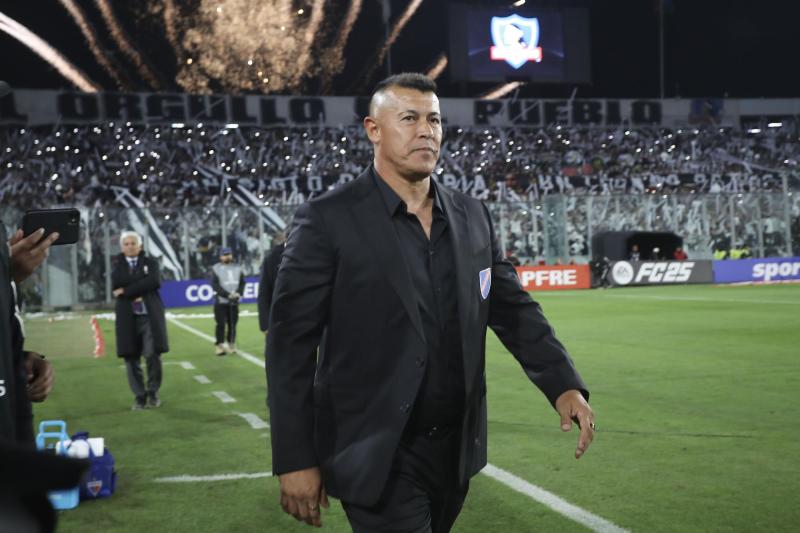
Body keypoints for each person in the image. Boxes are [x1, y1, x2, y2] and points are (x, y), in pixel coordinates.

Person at [266, 73, 594, 531]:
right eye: (410, 118)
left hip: (454, 450)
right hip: (376, 448)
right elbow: (290, 348)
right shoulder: (327, 220)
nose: (426, 130)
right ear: (373, 129)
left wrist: (563, 384)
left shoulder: (471, 215)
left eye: (434, 120)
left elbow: (513, 309)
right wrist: (295, 458)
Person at [112, 231, 168, 410]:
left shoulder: (151, 263)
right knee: (130, 358)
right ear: (122, 247)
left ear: (140, 246)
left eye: (133, 243)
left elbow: (154, 281)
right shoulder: (116, 266)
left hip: (149, 316)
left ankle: (153, 391)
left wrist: (127, 290)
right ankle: (139, 395)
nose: (130, 246)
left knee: (152, 354)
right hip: (127, 318)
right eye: (126, 244)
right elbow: (116, 283)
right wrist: (141, 283)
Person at [211, 247, 245, 355]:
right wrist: (227, 295)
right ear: (221, 257)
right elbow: (215, 285)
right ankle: (219, 346)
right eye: (225, 255)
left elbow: (242, 283)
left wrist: (239, 293)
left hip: (234, 301)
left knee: (232, 324)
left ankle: (231, 344)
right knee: (220, 324)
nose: (227, 256)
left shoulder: (238, 268)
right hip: (221, 302)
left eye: (229, 254)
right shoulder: (216, 268)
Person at [257, 232, 287, 334]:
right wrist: (265, 324)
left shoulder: (310, 255)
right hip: (278, 321)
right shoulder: (271, 258)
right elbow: (264, 293)